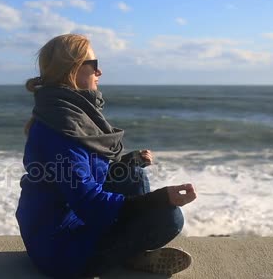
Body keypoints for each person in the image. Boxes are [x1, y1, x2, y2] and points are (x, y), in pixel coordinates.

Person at [15, 34, 197, 278]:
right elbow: (90, 203)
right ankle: (130, 253)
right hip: (60, 251)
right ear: (72, 71)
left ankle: (130, 249)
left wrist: (128, 162)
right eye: (94, 65)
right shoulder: (60, 129)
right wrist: (160, 199)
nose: (99, 73)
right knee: (170, 218)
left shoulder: (67, 114)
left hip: (66, 222)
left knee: (132, 175)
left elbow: (83, 176)